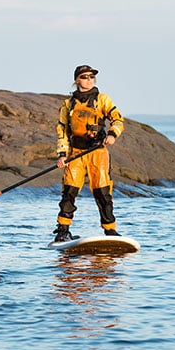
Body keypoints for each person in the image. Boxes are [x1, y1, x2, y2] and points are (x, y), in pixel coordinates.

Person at [52, 64, 125, 242]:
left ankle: (110, 230)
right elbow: (62, 130)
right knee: (69, 191)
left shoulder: (103, 100)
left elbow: (118, 120)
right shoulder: (68, 104)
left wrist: (112, 134)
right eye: (85, 77)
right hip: (75, 153)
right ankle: (62, 230)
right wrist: (62, 155)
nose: (89, 80)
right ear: (77, 80)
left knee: (102, 191)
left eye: (92, 77)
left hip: (97, 151)